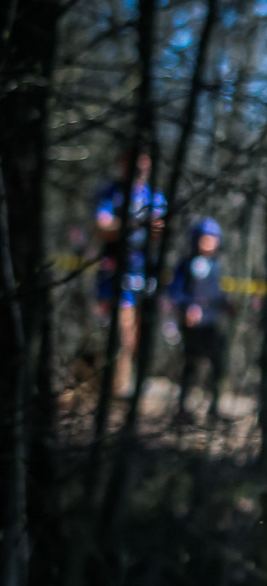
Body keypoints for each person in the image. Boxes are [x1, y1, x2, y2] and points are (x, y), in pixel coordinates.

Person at [91, 150, 166, 400]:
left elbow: (161, 232)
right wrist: (134, 224)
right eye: (134, 159)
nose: (140, 165)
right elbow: (102, 227)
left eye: (145, 159)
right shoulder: (110, 192)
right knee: (121, 332)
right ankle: (114, 389)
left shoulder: (154, 196)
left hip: (144, 273)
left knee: (135, 335)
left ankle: (121, 387)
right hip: (113, 273)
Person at [171, 218, 229, 426]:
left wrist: (227, 304)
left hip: (211, 323)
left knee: (217, 364)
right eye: (204, 239)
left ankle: (213, 408)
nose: (208, 243)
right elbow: (176, 292)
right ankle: (182, 408)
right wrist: (186, 307)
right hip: (192, 325)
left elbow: (217, 293)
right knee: (190, 365)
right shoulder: (186, 264)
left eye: (212, 239)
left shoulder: (217, 265)